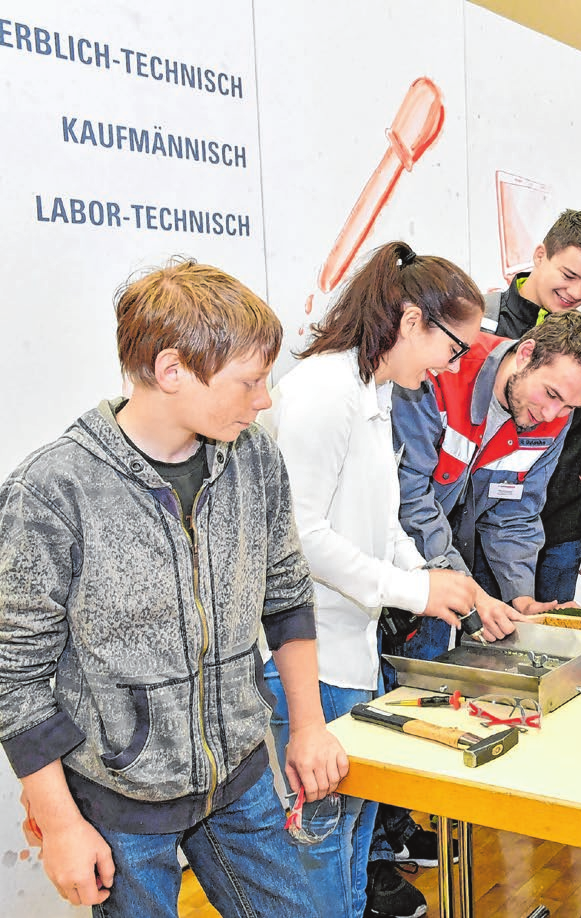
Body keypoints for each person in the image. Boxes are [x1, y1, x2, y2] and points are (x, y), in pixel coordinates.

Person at [0, 260, 346, 918]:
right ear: (171, 371)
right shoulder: (52, 490)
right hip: (118, 802)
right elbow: (14, 678)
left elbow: (287, 594)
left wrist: (307, 726)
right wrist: (64, 825)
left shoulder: (254, 457)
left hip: (241, 779)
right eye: (249, 381)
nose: (264, 398)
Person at [259, 241, 522, 918]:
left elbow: (382, 525)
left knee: (348, 845)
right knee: (319, 852)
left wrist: (437, 580)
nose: (451, 366)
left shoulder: (369, 393)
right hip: (306, 661)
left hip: (349, 652)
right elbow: (300, 537)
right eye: (453, 347)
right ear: (411, 322)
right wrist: (415, 591)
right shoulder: (322, 393)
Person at [392, 309, 581, 645]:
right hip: (391, 558)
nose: (551, 415)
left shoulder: (554, 416)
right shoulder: (442, 371)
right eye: (552, 394)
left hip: (445, 566)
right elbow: (411, 502)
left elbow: (515, 513)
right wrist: (472, 594)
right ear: (526, 354)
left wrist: (521, 598)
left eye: (571, 407)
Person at [483, 210, 581, 603]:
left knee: (551, 635)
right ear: (540, 255)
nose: (577, 292)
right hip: (486, 523)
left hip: (561, 523)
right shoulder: (483, 323)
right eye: (569, 276)